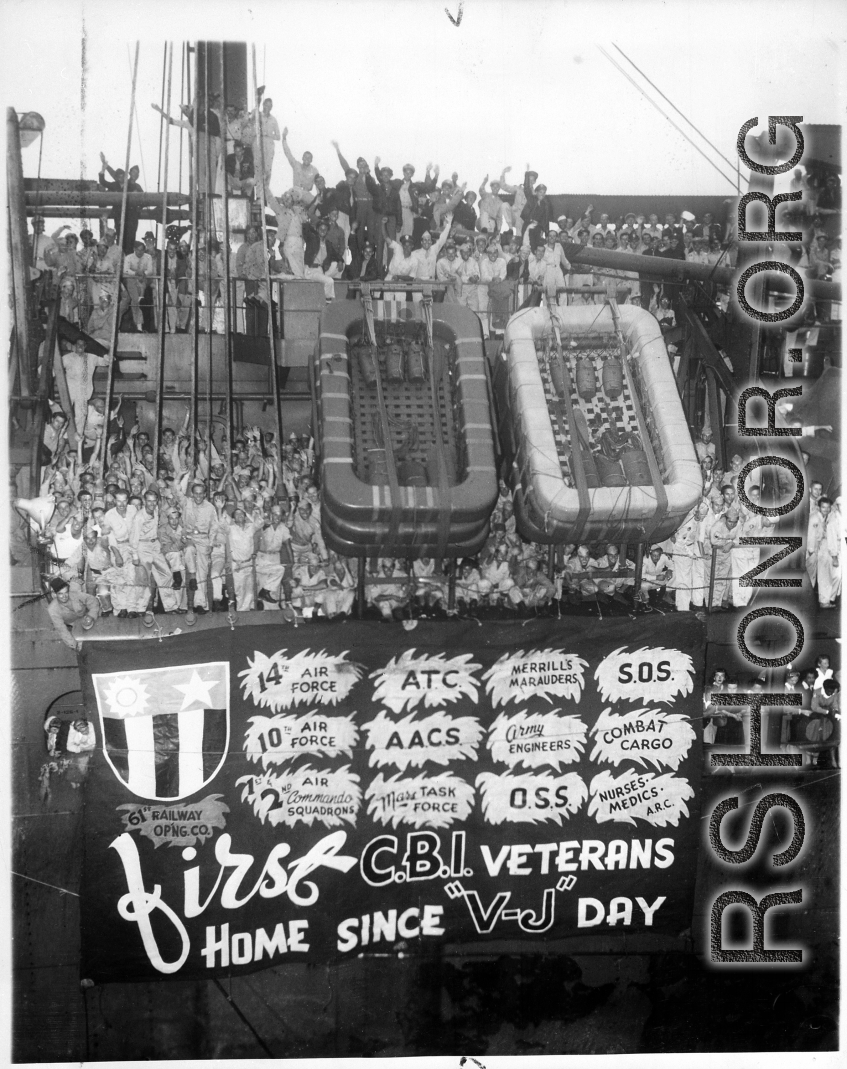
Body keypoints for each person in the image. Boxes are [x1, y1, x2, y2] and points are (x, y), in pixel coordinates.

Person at [62, 339, 111, 438]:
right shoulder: (67, 357)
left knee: (81, 415)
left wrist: (107, 357)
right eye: (78, 344)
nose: (80, 346)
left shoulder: (91, 357)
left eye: (82, 344)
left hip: (83, 392)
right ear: (75, 345)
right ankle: (63, 435)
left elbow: (105, 362)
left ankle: (78, 436)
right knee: (65, 413)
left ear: (85, 346)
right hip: (69, 391)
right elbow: (56, 368)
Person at [46, 577, 100, 652]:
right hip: (73, 627)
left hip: (89, 619)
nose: (64, 596)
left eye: (66, 592)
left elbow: (92, 600)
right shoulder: (52, 609)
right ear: (55, 594)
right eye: (60, 594)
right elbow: (61, 629)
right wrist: (74, 645)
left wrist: (91, 615)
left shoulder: (75, 595)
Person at [808, 497, 841, 608]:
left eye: (827, 507)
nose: (826, 509)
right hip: (816, 549)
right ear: (819, 507)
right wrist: (811, 551)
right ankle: (822, 601)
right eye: (823, 507)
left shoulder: (828, 517)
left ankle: (824, 600)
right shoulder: (814, 518)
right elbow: (811, 535)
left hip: (824, 548)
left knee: (825, 575)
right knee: (820, 576)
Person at [710, 507, 740, 609]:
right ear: (725, 519)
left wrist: (732, 543)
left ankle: (716, 604)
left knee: (722, 580)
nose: (732, 524)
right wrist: (727, 542)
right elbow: (714, 541)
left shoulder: (738, 525)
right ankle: (712, 603)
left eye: (734, 522)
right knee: (714, 579)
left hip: (727, 556)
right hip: (716, 555)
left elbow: (740, 538)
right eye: (730, 521)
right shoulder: (718, 525)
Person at [281, 127, 318, 203]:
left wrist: (319, 197)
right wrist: (284, 137)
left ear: (311, 160)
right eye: (305, 157)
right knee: (286, 198)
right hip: (295, 191)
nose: (307, 159)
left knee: (317, 205)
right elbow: (288, 153)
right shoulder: (296, 165)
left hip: (306, 193)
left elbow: (318, 184)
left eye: (309, 158)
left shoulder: (314, 170)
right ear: (302, 158)